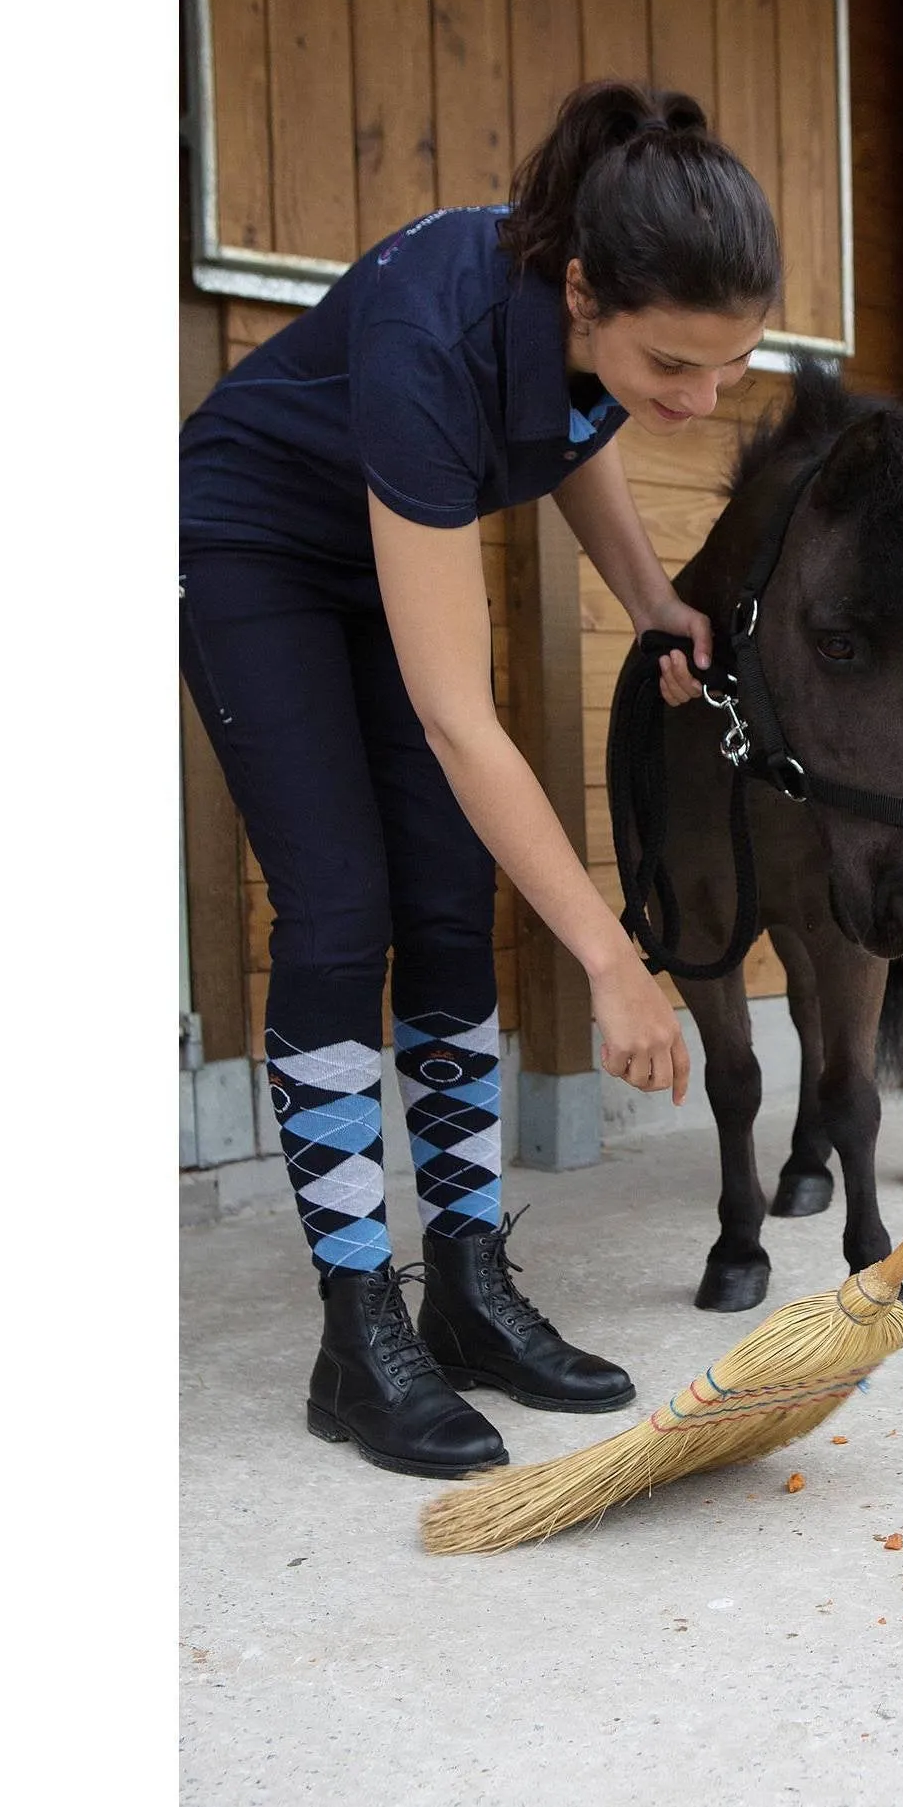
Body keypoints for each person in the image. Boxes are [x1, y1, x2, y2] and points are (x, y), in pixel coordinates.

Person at [180, 81, 781, 1478]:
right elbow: (460, 722)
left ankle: (466, 1287)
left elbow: (579, 435)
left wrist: (648, 598)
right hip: (260, 548)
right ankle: (355, 1329)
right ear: (582, 291)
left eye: (726, 372)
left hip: (401, 540)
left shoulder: (594, 329)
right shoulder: (433, 333)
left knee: (451, 901)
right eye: (671, 368)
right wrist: (612, 965)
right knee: (340, 907)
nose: (694, 402)